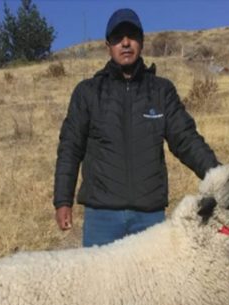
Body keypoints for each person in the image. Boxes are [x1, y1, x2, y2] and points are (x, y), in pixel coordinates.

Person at [53, 8, 220, 247]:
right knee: (101, 285)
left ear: (141, 42)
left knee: (151, 284)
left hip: (149, 217)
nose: (125, 43)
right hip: (101, 217)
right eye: (118, 37)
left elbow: (186, 139)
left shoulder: (161, 91)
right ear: (108, 45)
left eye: (132, 36)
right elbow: (70, 148)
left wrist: (220, 178)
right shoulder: (88, 92)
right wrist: (62, 201)